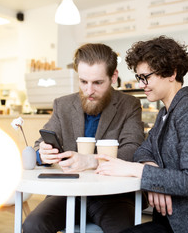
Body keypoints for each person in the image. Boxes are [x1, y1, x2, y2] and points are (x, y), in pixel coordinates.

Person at [95, 36, 188, 233]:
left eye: (146, 77)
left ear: (172, 72)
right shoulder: (165, 113)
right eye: (139, 77)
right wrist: (152, 174)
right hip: (175, 221)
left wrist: (136, 171)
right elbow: (143, 149)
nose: (142, 84)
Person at [22, 43, 145, 233]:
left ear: (113, 77)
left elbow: (133, 149)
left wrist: (90, 161)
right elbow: (40, 144)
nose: (89, 90)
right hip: (70, 192)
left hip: (112, 195)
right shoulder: (62, 104)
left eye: (97, 83)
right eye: (83, 82)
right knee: (32, 225)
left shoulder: (129, 105)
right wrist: (42, 154)